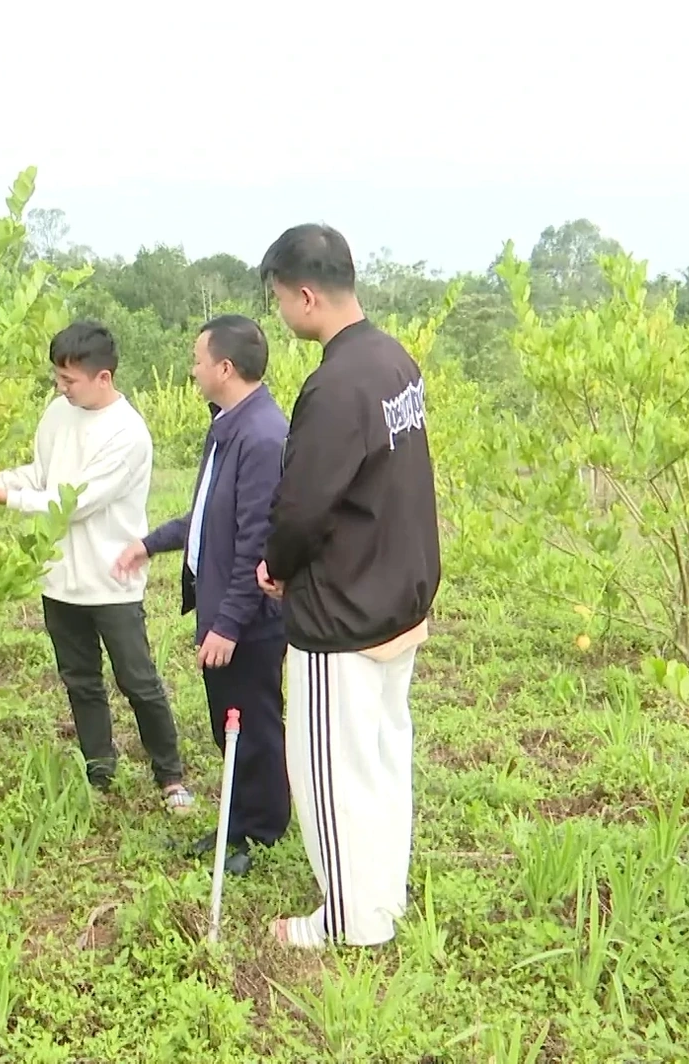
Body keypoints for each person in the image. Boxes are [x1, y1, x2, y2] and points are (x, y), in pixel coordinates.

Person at [253, 223, 442, 951]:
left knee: (330, 772)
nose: (279, 313)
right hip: (396, 596)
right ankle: (381, 899)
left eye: (278, 298)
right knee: (382, 760)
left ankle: (347, 919)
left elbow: (302, 507)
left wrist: (277, 566)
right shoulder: (393, 361)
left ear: (305, 296)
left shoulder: (334, 386)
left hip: (344, 614)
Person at [0, 320, 195, 815]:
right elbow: (43, 475)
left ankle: (170, 776)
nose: (60, 388)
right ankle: (100, 772)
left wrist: (4, 498)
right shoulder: (57, 414)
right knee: (80, 679)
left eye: (69, 380)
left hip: (111, 580)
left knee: (137, 680)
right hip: (59, 578)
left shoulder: (127, 434)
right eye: (57, 377)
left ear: (103, 377)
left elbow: (75, 502)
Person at [113, 314, 290, 876]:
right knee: (231, 723)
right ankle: (239, 824)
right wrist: (151, 544)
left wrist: (229, 623)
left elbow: (255, 541)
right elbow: (211, 514)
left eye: (197, 360)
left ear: (225, 368)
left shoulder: (261, 437)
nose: (192, 370)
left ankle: (257, 834)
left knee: (251, 725)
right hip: (225, 607)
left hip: (249, 619)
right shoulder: (229, 425)